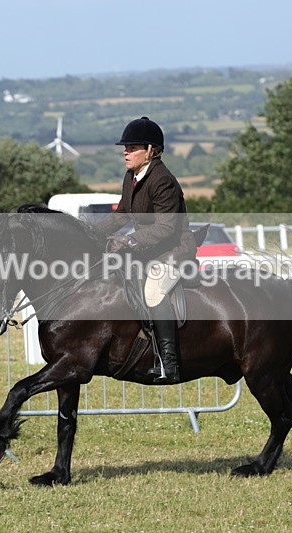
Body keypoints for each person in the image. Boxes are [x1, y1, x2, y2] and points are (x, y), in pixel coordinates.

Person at [94, 116, 197, 384]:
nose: (125, 152)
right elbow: (122, 215)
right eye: (125, 148)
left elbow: (166, 229)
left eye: (133, 147)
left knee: (153, 293)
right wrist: (90, 232)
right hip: (149, 250)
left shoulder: (163, 180)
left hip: (173, 250)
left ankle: (169, 364)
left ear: (151, 150)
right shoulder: (132, 177)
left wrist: (128, 241)